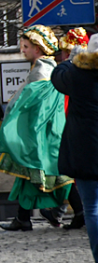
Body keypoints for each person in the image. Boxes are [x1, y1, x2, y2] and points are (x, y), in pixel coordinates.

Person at [0, 25, 72, 232]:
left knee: (56, 175)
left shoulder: (41, 73)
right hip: (45, 134)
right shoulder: (45, 69)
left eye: (26, 46)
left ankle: (79, 213)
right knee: (28, 175)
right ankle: (23, 218)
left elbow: (27, 106)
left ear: (38, 49)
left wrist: (15, 123)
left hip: (42, 135)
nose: (23, 50)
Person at [52, 33, 98, 262]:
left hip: (86, 151)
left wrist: (71, 59)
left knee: (92, 207)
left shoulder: (78, 75)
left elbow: (56, 76)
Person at [41, 28, 88, 229]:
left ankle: (78, 213)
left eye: (68, 53)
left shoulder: (72, 77)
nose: (65, 56)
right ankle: (64, 211)